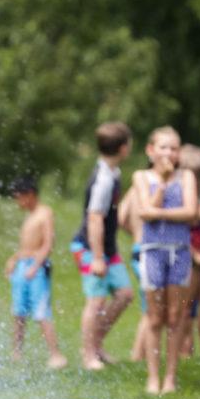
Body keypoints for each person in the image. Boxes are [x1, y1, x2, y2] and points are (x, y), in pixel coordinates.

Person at [133, 127, 197, 394]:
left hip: (180, 251)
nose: (169, 153)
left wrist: (157, 212)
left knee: (176, 315)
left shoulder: (188, 176)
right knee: (154, 316)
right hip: (152, 251)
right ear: (151, 150)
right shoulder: (141, 176)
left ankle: (170, 376)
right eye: (163, 147)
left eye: (173, 148)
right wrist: (163, 185)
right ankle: (152, 376)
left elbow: (191, 212)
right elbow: (145, 213)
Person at [71, 122, 135, 370]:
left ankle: (95, 343)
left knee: (124, 294)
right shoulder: (103, 180)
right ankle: (88, 355)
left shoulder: (113, 173)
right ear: (123, 148)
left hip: (108, 249)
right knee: (96, 301)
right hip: (90, 249)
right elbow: (95, 218)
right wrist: (97, 257)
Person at [4, 178, 67, 369]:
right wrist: (14, 259)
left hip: (36, 267)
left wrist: (35, 265)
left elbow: (48, 243)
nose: (18, 203)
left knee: (41, 311)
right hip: (23, 265)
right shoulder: (30, 215)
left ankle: (56, 355)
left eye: (20, 198)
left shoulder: (44, 213)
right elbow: (26, 246)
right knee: (19, 311)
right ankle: (17, 352)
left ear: (30, 194)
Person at [178, 144, 200, 358]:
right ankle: (185, 349)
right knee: (186, 308)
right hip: (188, 257)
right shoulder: (182, 197)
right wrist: (194, 253)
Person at [118, 187, 150, 362]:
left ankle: (141, 354)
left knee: (150, 305)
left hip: (136, 248)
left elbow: (121, 218)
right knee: (151, 308)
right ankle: (137, 355)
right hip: (150, 249)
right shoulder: (154, 185)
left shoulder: (132, 190)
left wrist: (134, 233)